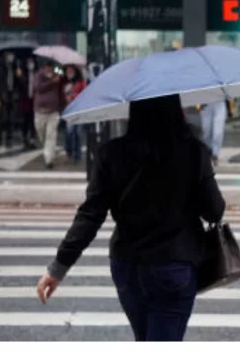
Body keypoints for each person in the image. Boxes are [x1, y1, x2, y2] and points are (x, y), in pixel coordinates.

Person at [36, 94, 226, 342]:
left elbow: (90, 216)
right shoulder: (193, 151)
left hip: (128, 266)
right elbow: (214, 211)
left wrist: (58, 268)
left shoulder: (111, 154)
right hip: (174, 264)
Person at [33, 62, 63, 169]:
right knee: (41, 132)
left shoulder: (57, 73)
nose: (50, 69)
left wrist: (59, 73)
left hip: (53, 111)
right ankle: (46, 149)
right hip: (40, 111)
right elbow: (38, 87)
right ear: (44, 67)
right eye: (48, 67)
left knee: (51, 135)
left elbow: (62, 77)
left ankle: (49, 159)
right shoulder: (38, 75)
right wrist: (51, 82)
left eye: (52, 67)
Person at [0, 51, 20, 148]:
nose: (11, 57)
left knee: (11, 120)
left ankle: (9, 139)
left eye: (12, 55)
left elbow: (18, 83)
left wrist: (19, 75)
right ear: (5, 56)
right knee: (2, 119)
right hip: (2, 96)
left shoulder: (15, 67)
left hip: (12, 95)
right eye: (9, 55)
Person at [62, 66, 87, 162]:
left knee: (78, 133)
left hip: (78, 109)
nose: (69, 73)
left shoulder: (80, 82)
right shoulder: (64, 82)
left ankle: (77, 154)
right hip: (68, 110)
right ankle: (69, 150)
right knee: (69, 132)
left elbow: (84, 93)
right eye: (68, 71)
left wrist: (73, 96)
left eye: (71, 71)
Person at [17, 57, 38, 149]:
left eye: (32, 61)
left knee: (33, 120)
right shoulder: (22, 73)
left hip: (34, 99)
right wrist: (20, 76)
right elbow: (19, 85)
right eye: (28, 61)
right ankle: (25, 138)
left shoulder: (37, 73)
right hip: (25, 99)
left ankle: (33, 139)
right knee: (25, 120)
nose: (30, 64)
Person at [200, 101, 227, 165]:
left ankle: (215, 154)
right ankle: (208, 151)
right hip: (205, 102)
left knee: (218, 131)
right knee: (206, 131)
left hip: (219, 101)